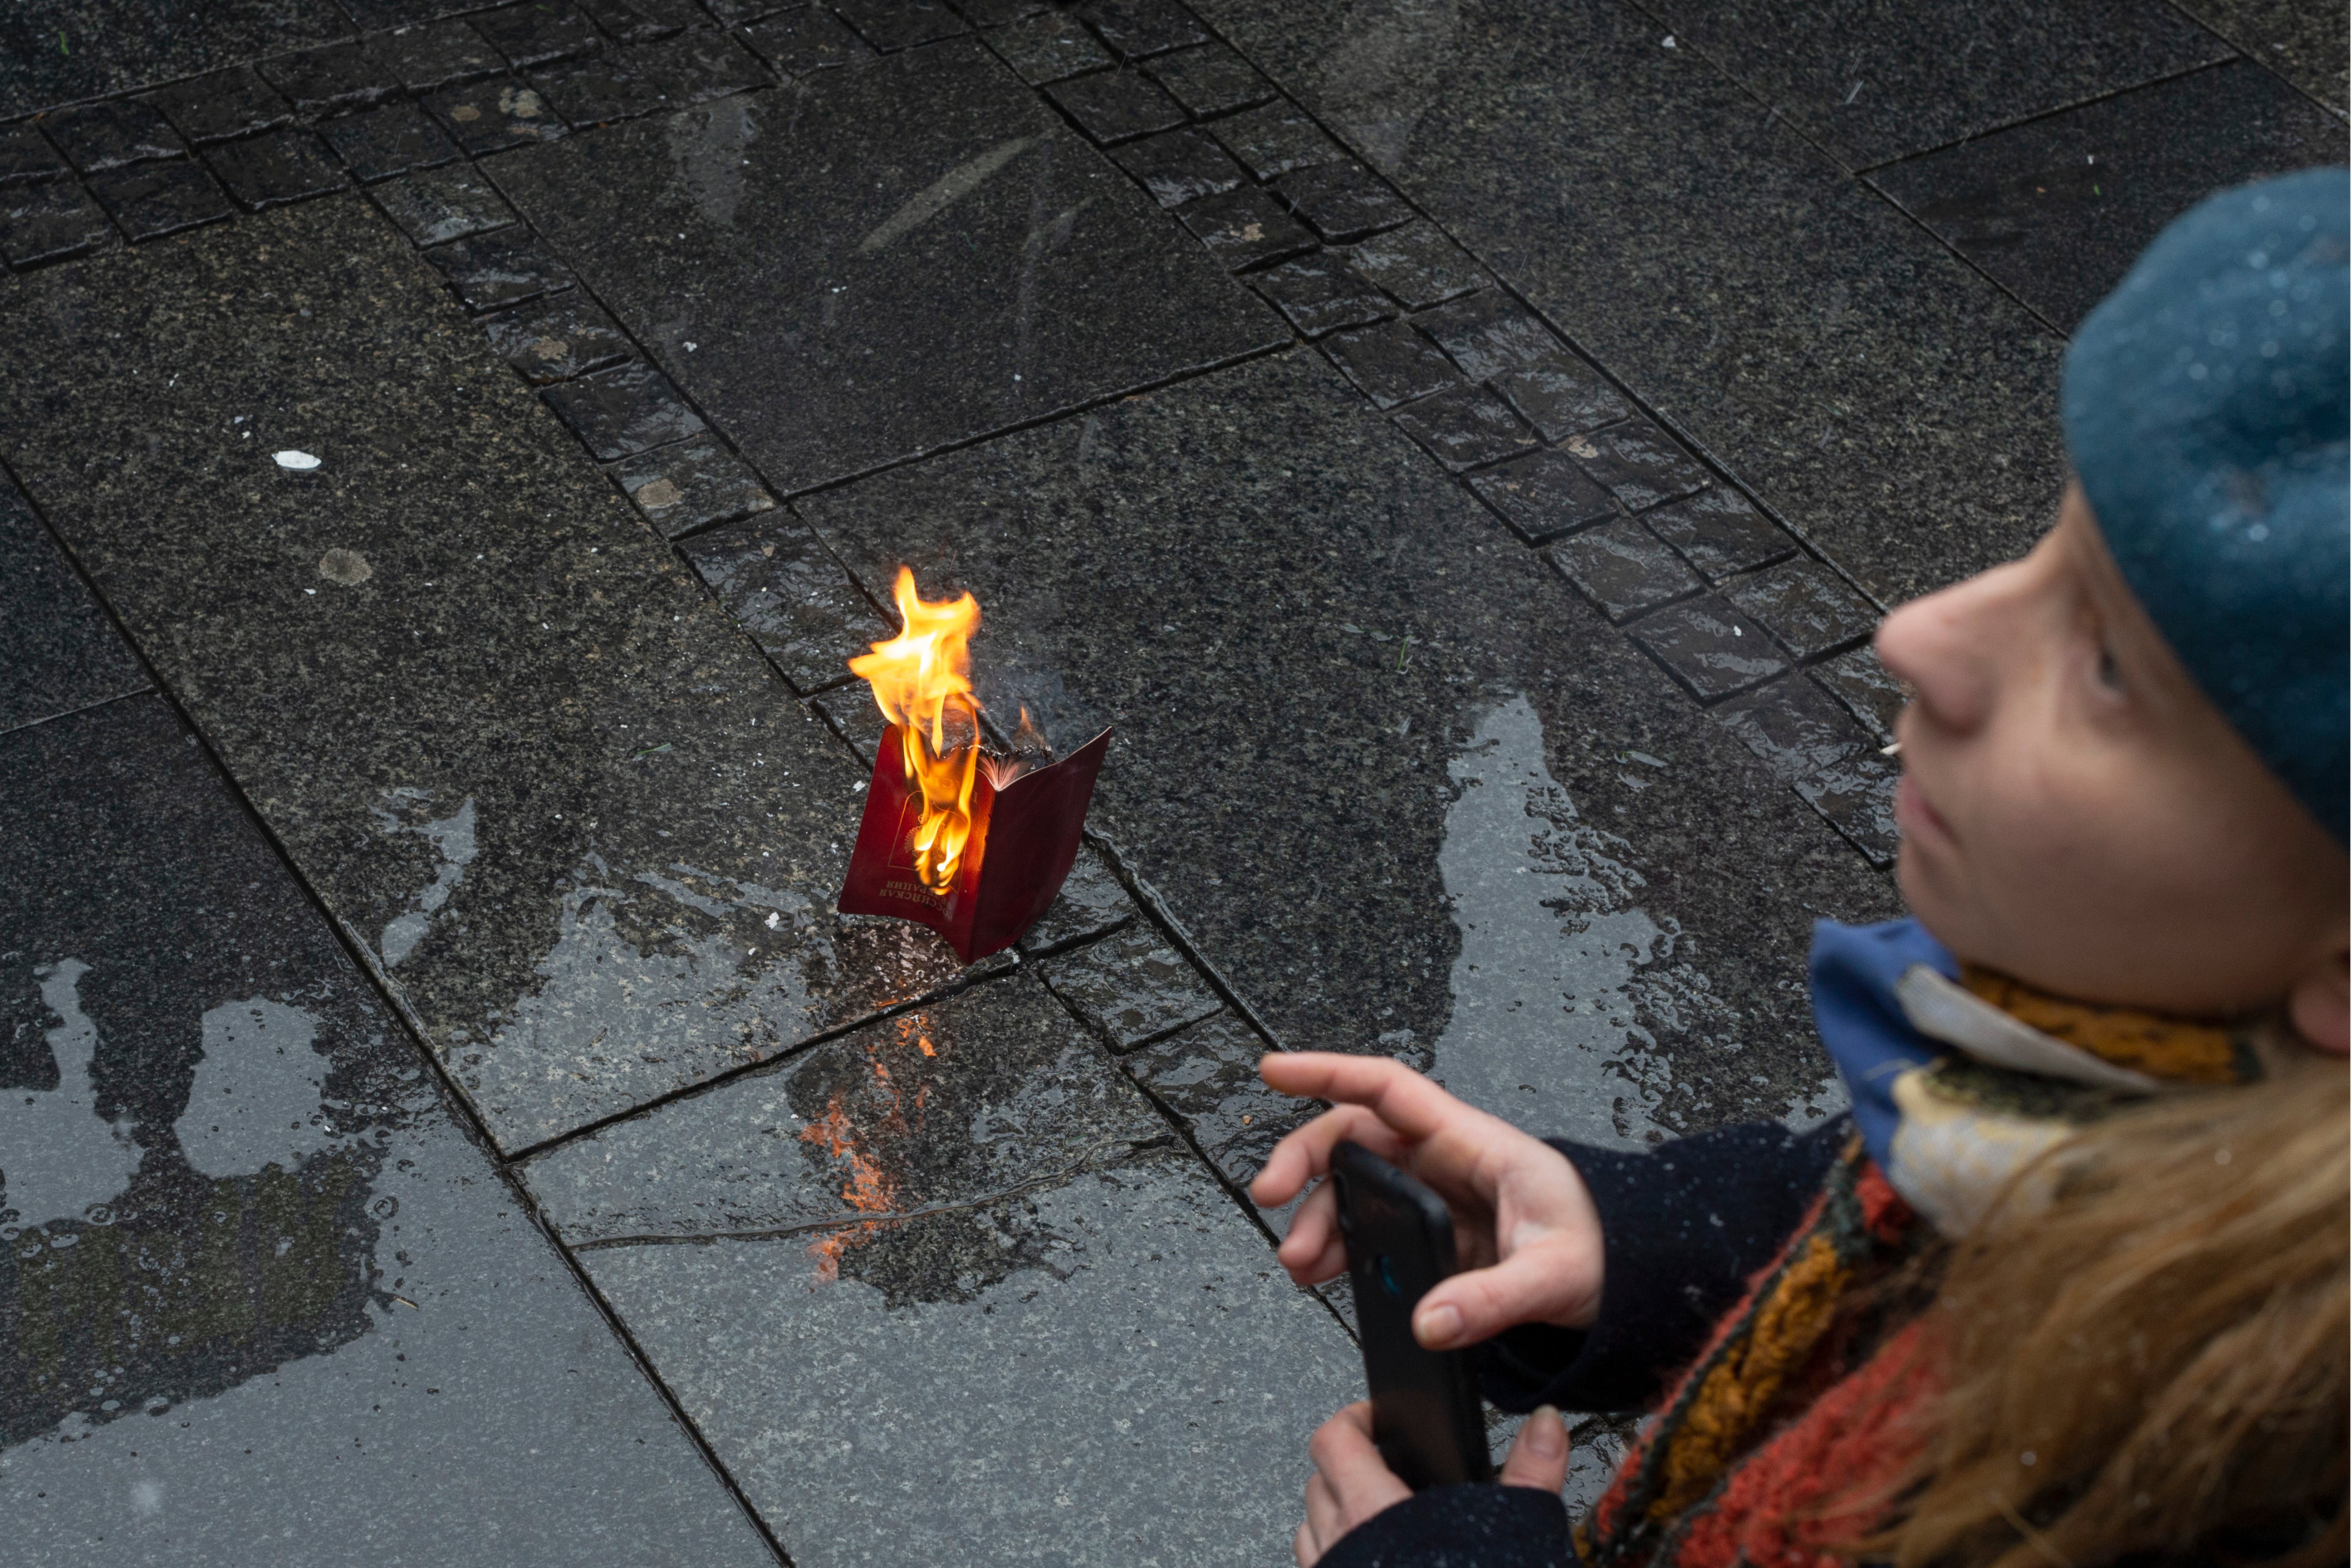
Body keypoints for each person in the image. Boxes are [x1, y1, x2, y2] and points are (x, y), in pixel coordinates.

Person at [1253, 166, 2349, 1568]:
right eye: (2050, 540)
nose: (1921, 637)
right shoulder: (2124, 1086)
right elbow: (1928, 1212)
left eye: (2115, 664)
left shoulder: (2218, 1472)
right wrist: (1627, 1244)